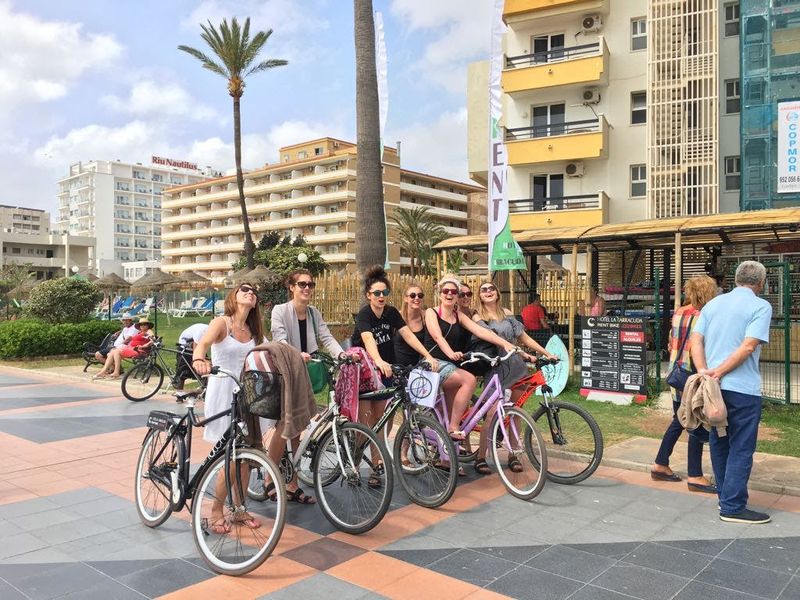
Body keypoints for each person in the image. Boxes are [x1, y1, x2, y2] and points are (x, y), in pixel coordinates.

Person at [690, 261, 772, 524]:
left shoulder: (713, 304)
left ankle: (725, 498)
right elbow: (749, 346)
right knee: (741, 447)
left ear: (736, 279)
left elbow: (696, 340)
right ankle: (733, 506)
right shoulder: (761, 306)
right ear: (761, 282)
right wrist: (720, 371)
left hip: (713, 390)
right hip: (742, 389)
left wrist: (705, 371)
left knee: (719, 440)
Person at [351, 266, 439, 485]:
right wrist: (379, 361)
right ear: (368, 295)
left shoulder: (391, 313)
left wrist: (427, 354)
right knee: (365, 422)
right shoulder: (365, 314)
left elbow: (407, 334)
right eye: (377, 293)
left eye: (384, 293)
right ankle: (354, 460)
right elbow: (369, 340)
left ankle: (376, 466)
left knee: (381, 421)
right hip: (365, 372)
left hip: (385, 370)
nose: (381, 297)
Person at [193, 282, 266, 531]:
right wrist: (199, 359)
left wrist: (294, 356)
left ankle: (239, 509)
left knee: (244, 456)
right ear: (233, 297)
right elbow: (202, 344)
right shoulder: (221, 323)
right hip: (223, 394)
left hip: (246, 396)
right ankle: (216, 511)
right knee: (230, 455)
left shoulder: (254, 330)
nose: (250, 292)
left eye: (253, 291)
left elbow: (268, 351)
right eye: (244, 289)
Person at [269, 268, 346, 505]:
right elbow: (279, 339)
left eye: (310, 285)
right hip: (286, 370)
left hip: (307, 371)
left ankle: (292, 485)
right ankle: (269, 476)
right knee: (286, 425)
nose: (306, 289)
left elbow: (326, 337)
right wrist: (296, 354)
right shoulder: (280, 311)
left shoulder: (313, 313)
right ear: (291, 287)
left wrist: (343, 355)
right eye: (301, 284)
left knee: (299, 427)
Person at [471, 281, 555, 474]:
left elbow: (523, 337)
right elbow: (485, 335)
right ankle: (481, 456)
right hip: (496, 366)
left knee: (516, 413)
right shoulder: (478, 316)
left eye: (491, 288)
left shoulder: (507, 314)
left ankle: (513, 454)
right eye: (484, 290)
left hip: (516, 366)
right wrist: (510, 347)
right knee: (491, 414)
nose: (488, 291)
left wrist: (545, 352)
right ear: (480, 295)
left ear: (497, 292)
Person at [424, 273, 517, 442]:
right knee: (469, 380)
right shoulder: (432, 312)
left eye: (454, 291)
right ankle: (453, 428)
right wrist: (450, 353)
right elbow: (438, 337)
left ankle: (447, 459)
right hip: (435, 364)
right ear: (440, 293)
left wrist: (504, 343)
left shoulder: (458, 314)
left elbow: (480, 330)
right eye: (446, 291)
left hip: (452, 367)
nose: (449, 294)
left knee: (451, 412)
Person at [651, 275, 718, 493]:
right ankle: (695, 476)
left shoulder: (679, 312)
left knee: (679, 419)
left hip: (676, 374)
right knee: (697, 423)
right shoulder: (707, 315)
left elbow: (672, 340)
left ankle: (661, 464)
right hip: (694, 376)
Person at [394, 282, 427, 367]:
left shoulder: (426, 317)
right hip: (398, 368)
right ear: (406, 298)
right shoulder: (397, 316)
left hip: (419, 368)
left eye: (420, 295)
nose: (417, 298)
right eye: (412, 295)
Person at [174, 322, 209, 391]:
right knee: (183, 369)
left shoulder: (211, 331)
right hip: (185, 345)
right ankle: (179, 393)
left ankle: (205, 387)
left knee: (205, 365)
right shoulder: (201, 332)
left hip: (194, 343)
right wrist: (202, 358)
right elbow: (196, 348)